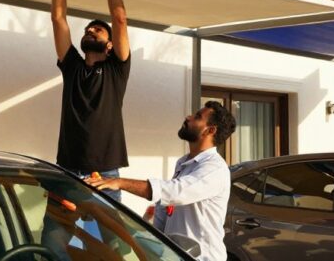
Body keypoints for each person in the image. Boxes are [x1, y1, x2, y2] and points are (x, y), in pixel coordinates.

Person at [87, 101, 237, 261]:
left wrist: (119, 182)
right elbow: (166, 208)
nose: (189, 117)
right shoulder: (184, 163)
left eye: (197, 117)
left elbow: (175, 192)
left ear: (210, 130)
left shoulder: (215, 169)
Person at [50, 0, 131, 198]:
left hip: (105, 173)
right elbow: (58, 18)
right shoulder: (72, 65)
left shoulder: (116, 68)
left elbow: (120, 19)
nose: (90, 30)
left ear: (109, 44)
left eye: (97, 29)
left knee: (109, 239)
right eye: (87, 29)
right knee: (55, 237)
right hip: (67, 169)